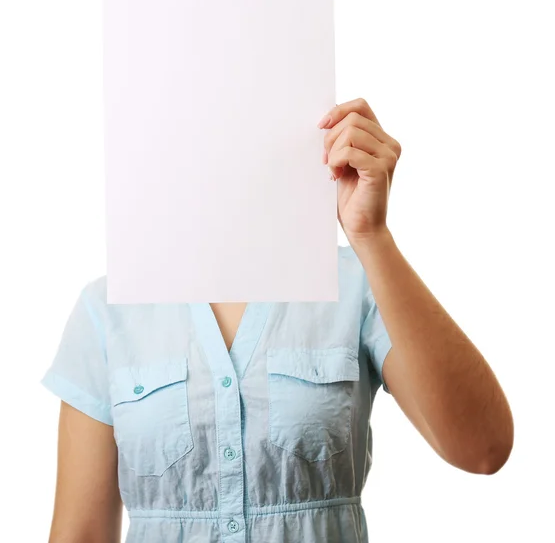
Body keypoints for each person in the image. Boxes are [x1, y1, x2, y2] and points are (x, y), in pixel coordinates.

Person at [41, 97, 514, 543]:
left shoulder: (357, 284)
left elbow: (484, 449)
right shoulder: (107, 309)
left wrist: (372, 235)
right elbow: (80, 533)